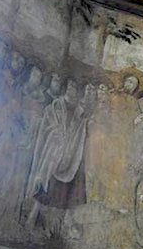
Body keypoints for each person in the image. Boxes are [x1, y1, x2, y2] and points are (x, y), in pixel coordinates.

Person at [25, 80, 95, 229]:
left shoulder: (80, 111)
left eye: (75, 87)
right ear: (65, 88)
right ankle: (33, 214)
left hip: (72, 153)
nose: (72, 89)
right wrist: (56, 134)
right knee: (46, 184)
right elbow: (47, 127)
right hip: (53, 152)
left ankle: (66, 222)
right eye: (69, 86)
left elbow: (83, 128)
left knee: (73, 184)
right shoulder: (55, 107)